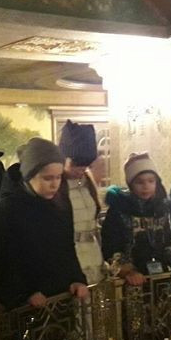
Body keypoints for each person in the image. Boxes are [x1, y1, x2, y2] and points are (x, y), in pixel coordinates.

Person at [102, 153, 171, 340]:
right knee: (134, 337)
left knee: (150, 337)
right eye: (140, 182)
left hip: (157, 283)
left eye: (151, 181)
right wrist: (127, 270)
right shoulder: (118, 211)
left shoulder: (162, 209)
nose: (146, 187)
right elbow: (110, 247)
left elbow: (167, 243)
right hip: (131, 287)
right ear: (131, 184)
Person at [0, 137, 89, 308]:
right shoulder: (10, 207)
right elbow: (7, 257)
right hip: (28, 302)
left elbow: (67, 247)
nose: (54, 184)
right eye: (47, 178)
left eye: (58, 177)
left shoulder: (60, 202)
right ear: (29, 176)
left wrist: (77, 279)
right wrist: (25, 292)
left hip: (62, 295)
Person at [59, 120, 104, 284]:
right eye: (75, 165)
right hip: (70, 256)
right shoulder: (57, 186)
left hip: (94, 253)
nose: (80, 170)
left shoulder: (88, 183)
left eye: (85, 166)